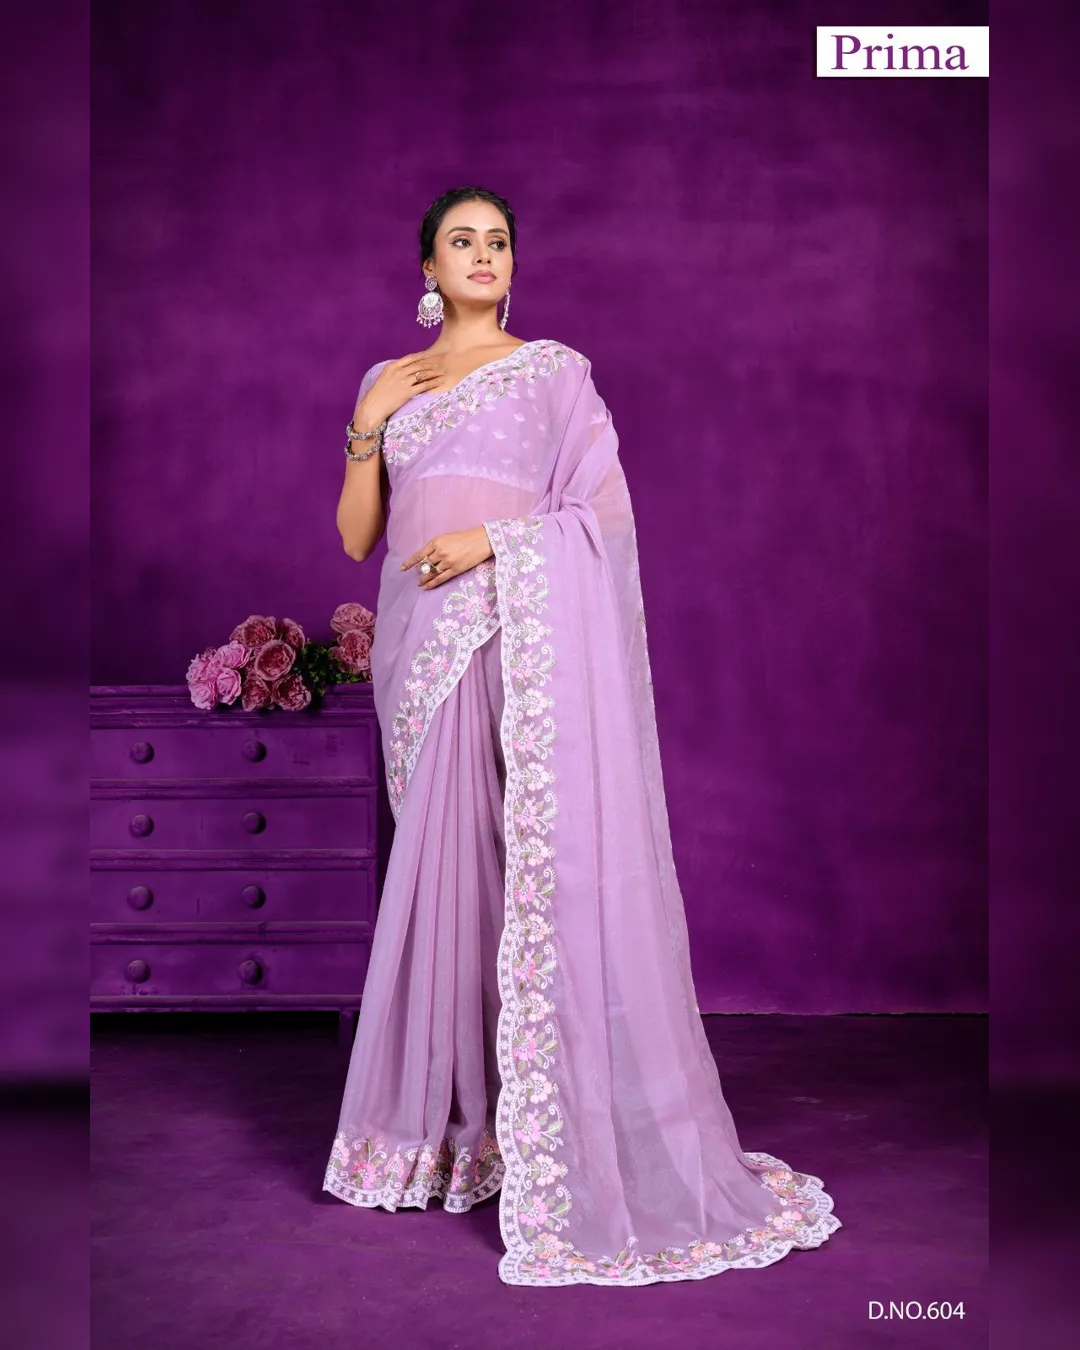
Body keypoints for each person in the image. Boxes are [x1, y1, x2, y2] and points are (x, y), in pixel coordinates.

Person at [323, 186, 840, 1287]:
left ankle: (552, 1127)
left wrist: (493, 543)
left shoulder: (553, 372)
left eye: (498, 241)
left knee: (528, 873)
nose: (483, 255)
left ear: (514, 264)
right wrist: (369, 424)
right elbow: (360, 536)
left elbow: (599, 519)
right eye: (461, 241)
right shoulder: (387, 382)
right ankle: (444, 1134)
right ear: (427, 267)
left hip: (513, 634)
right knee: (444, 877)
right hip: (420, 649)